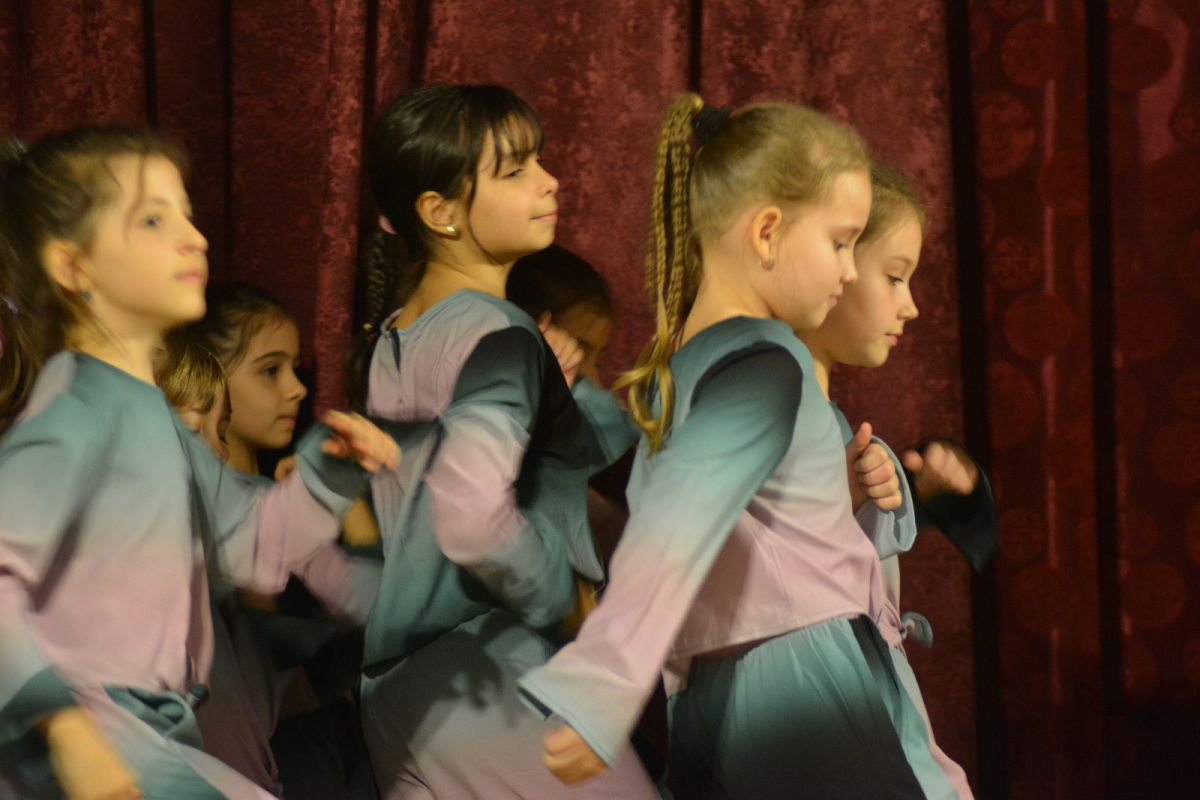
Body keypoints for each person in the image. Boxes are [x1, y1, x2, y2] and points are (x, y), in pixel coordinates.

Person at [518, 95, 946, 798]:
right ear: (768, 231)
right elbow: (680, 511)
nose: (848, 272)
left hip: (707, 693)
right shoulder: (766, 360)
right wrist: (605, 680)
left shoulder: (685, 367)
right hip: (796, 683)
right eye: (840, 243)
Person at [0, 125, 397, 800]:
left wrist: (329, 472)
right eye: (154, 220)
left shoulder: (147, 415)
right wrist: (67, 732)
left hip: (149, 737)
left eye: (187, 214)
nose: (195, 238)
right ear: (74, 267)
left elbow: (252, 545)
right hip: (94, 742)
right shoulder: (77, 412)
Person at [350, 84, 656, 799]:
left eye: (539, 161)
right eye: (515, 170)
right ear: (441, 212)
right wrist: (567, 599)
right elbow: (471, 518)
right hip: (486, 674)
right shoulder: (500, 333)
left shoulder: (395, 334)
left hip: (400, 694)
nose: (550, 181)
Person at [802, 162, 999, 799]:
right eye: (894, 276)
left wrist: (921, 495)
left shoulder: (824, 419)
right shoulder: (773, 412)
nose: (911, 305)